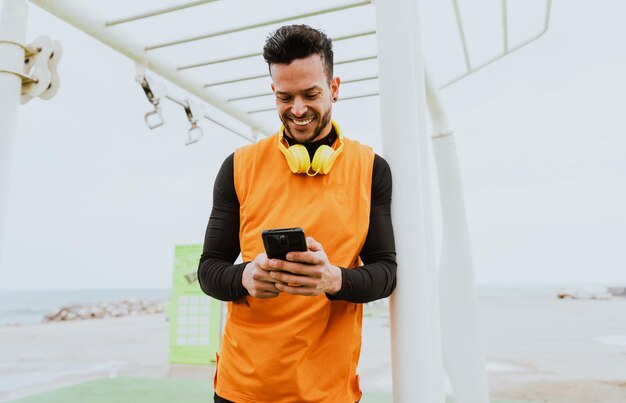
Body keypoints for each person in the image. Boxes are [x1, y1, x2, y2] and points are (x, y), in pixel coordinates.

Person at [198, 24, 397, 403]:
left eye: (311, 94)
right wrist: (246, 277)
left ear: (334, 88)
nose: (298, 109)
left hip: (328, 392)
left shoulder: (372, 170)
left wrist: (333, 279)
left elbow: (386, 273)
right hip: (241, 389)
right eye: (285, 97)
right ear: (273, 92)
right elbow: (209, 269)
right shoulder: (238, 166)